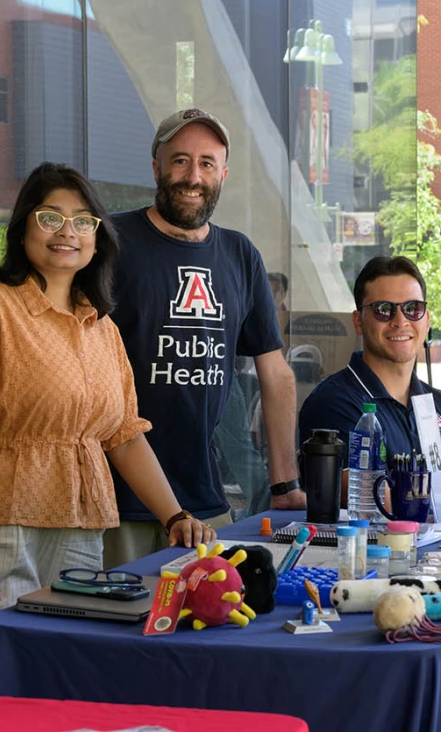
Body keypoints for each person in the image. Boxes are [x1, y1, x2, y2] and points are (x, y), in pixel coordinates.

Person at [0, 163, 214, 613]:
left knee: (62, 660)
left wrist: (174, 515)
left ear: (97, 238)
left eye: (82, 221)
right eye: (50, 217)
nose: (66, 231)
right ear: (23, 228)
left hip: (82, 527)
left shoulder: (102, 326)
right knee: (2, 658)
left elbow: (124, 436)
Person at [103, 108, 301, 569]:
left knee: (212, 622)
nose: (193, 176)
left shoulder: (239, 255)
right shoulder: (111, 242)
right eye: (180, 161)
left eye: (207, 164)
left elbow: (275, 374)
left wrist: (284, 485)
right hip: (115, 500)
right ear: (156, 167)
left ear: (223, 174)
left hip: (206, 501)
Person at [298, 256, 441, 514]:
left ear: (427, 319)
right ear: (358, 321)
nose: (400, 320)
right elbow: (381, 511)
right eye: (383, 309)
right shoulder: (334, 404)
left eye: (413, 308)